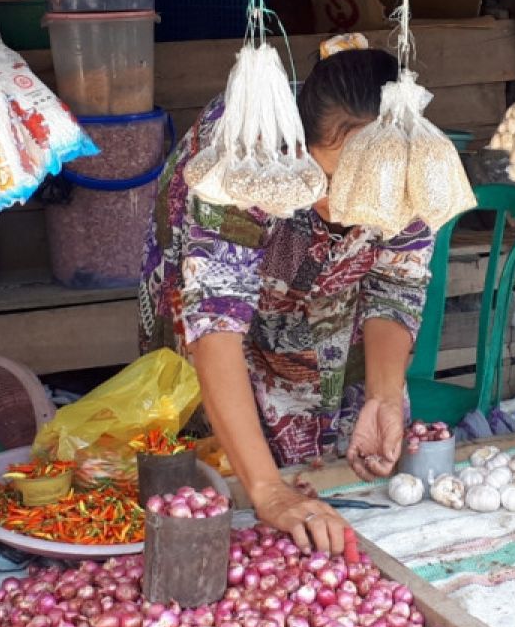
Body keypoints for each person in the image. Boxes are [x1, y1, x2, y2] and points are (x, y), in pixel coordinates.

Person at [139, 36, 434, 554]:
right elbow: (215, 324)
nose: (348, 211)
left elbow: (396, 283)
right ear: (299, 151)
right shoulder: (243, 154)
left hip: (328, 313)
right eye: (332, 182)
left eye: (372, 191)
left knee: (335, 464)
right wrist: (267, 490)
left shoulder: (409, 153)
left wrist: (384, 395)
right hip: (224, 308)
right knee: (214, 481)